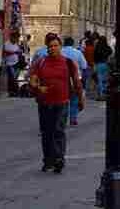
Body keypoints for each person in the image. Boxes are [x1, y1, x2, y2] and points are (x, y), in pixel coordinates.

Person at [28, 33, 83, 174]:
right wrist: (38, 87)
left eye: (55, 46)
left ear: (60, 47)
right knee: (46, 132)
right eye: (50, 46)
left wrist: (80, 99)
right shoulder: (41, 62)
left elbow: (76, 81)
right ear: (47, 48)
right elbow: (33, 79)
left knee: (58, 130)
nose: (53, 48)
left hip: (62, 102)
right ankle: (48, 161)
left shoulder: (68, 62)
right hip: (44, 102)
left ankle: (59, 159)